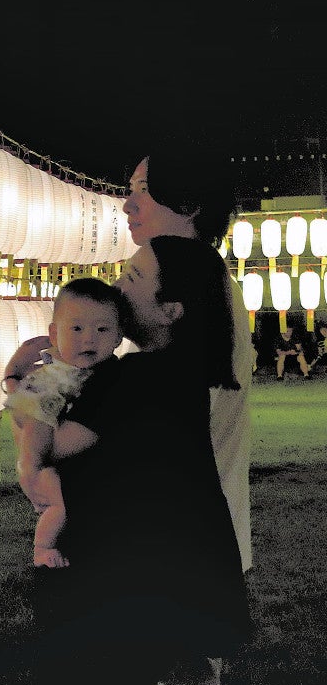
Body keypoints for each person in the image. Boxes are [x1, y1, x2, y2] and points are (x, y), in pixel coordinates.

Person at [6, 236, 252, 685]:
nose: (116, 289)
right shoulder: (175, 372)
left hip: (146, 573)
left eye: (133, 281)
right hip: (184, 565)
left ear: (171, 310)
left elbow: (51, 447)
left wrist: (21, 384)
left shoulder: (132, 379)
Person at [121, 140, 254, 574]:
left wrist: (32, 392)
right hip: (199, 542)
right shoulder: (205, 281)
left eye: (143, 189)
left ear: (190, 204)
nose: (128, 205)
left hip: (179, 549)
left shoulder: (197, 293)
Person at [4, 277, 124, 568]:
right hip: (40, 466)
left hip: (60, 473)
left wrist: (13, 378)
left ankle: (43, 547)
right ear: (55, 333)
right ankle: (42, 548)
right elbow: (28, 416)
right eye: (77, 328)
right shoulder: (55, 371)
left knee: (59, 504)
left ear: (119, 336)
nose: (89, 339)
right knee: (57, 503)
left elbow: (32, 420)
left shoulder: (109, 378)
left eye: (102, 329)